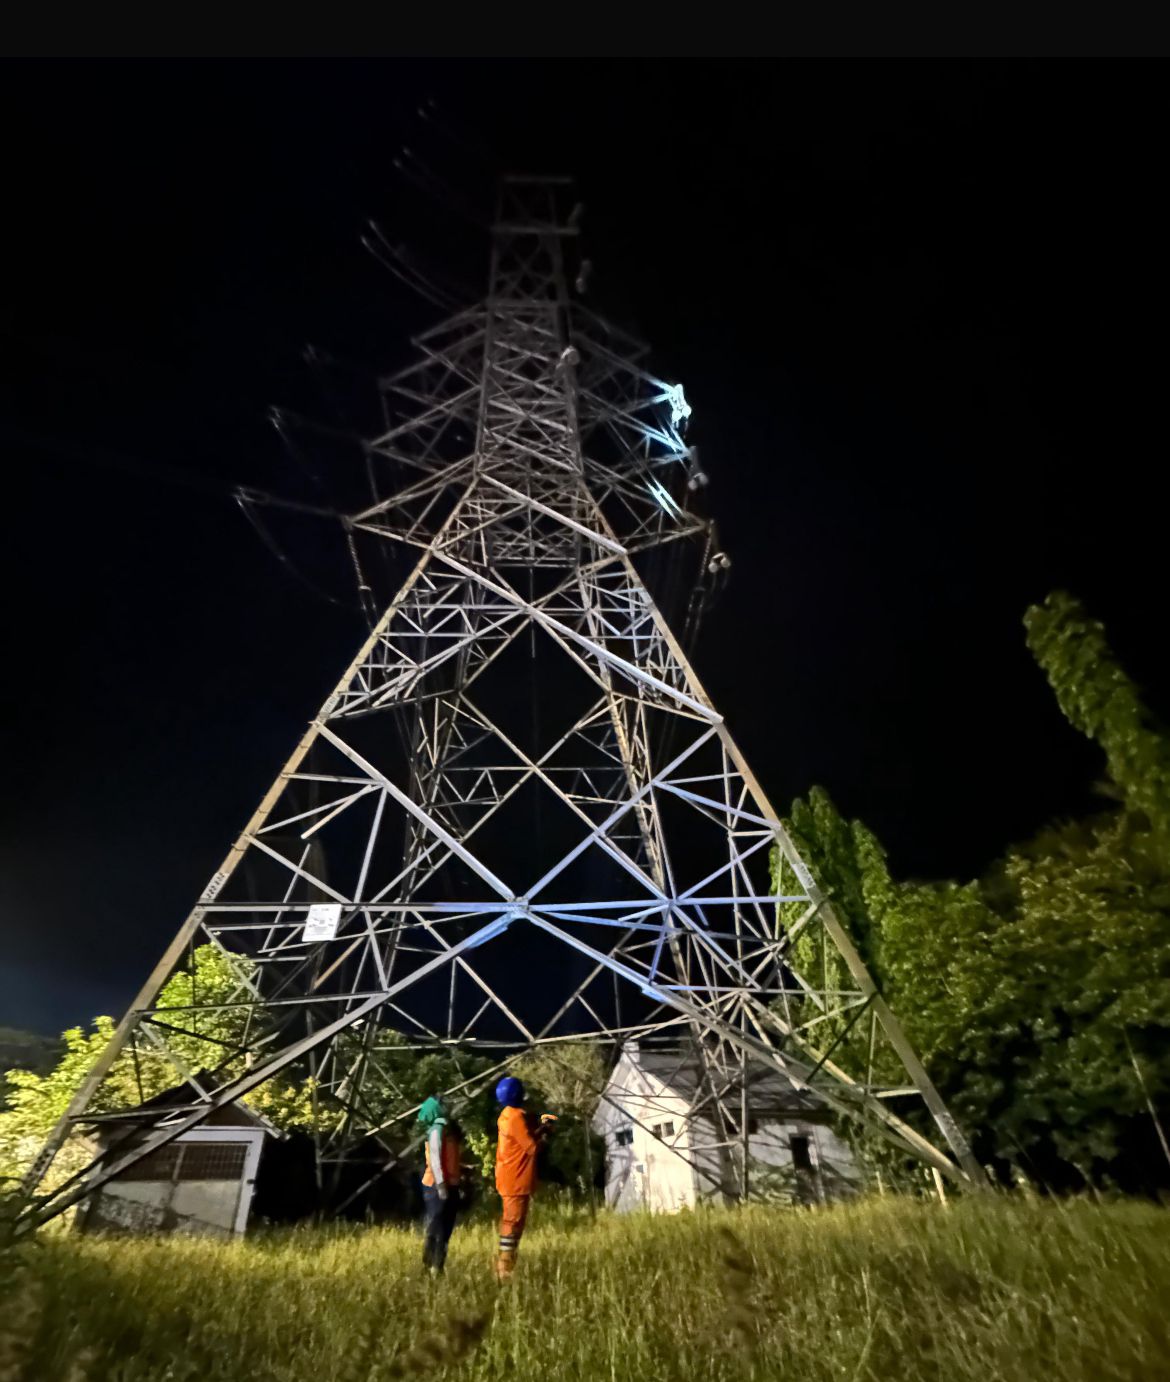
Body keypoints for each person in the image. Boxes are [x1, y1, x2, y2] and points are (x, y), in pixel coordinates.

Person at [492, 1075, 556, 1282]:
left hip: (509, 1177)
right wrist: (545, 1132)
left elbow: (523, 1140)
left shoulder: (506, 1114)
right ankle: (505, 1269)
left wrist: (539, 1129)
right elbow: (532, 1148)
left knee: (514, 1221)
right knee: (512, 1222)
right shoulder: (516, 1118)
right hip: (515, 1180)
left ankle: (508, 1265)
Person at [418, 1096, 463, 1276]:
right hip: (436, 1188)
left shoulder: (446, 1130)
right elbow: (436, 1161)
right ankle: (431, 1267)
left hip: (448, 1186)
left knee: (445, 1230)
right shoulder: (437, 1131)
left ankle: (437, 1267)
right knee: (436, 1229)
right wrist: (442, 1187)